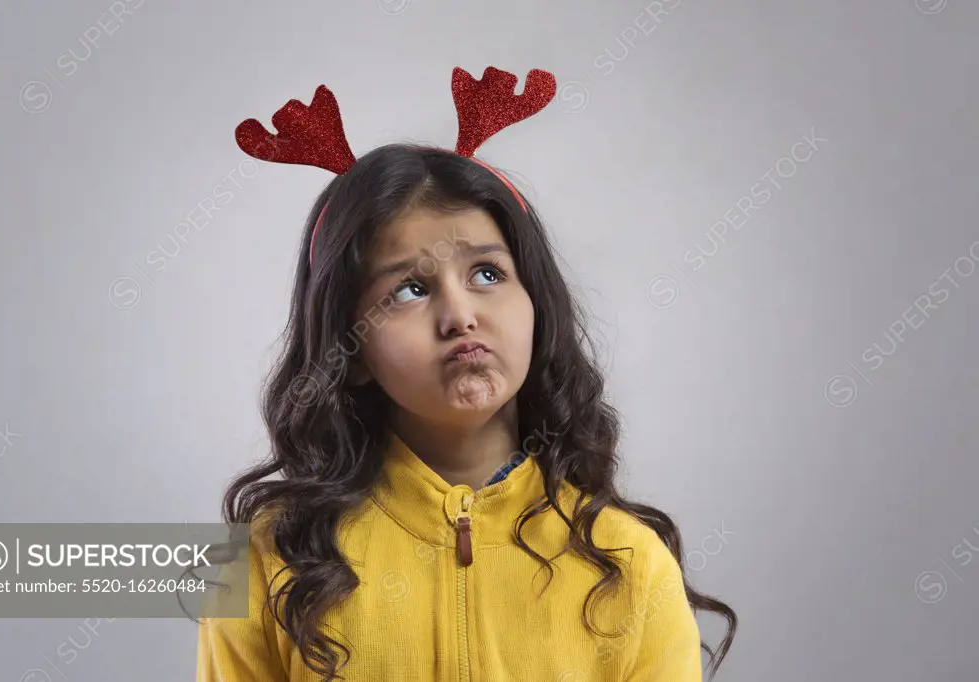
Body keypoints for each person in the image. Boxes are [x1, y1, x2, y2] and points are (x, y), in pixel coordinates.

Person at [195, 66, 736, 681]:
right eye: (408, 289)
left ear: (538, 307)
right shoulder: (267, 560)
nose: (459, 316)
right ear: (351, 353)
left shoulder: (629, 562)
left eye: (487, 274)